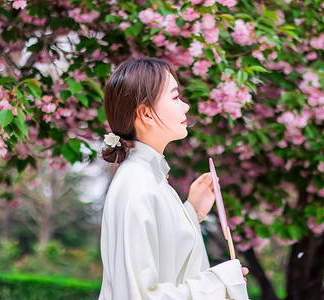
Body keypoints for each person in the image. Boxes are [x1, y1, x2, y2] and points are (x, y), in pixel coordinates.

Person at [98, 57, 250, 300]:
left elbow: (167, 261)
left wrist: (191, 212)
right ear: (146, 114)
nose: (185, 106)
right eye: (175, 97)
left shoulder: (150, 179)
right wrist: (220, 285)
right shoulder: (137, 186)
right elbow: (139, 295)